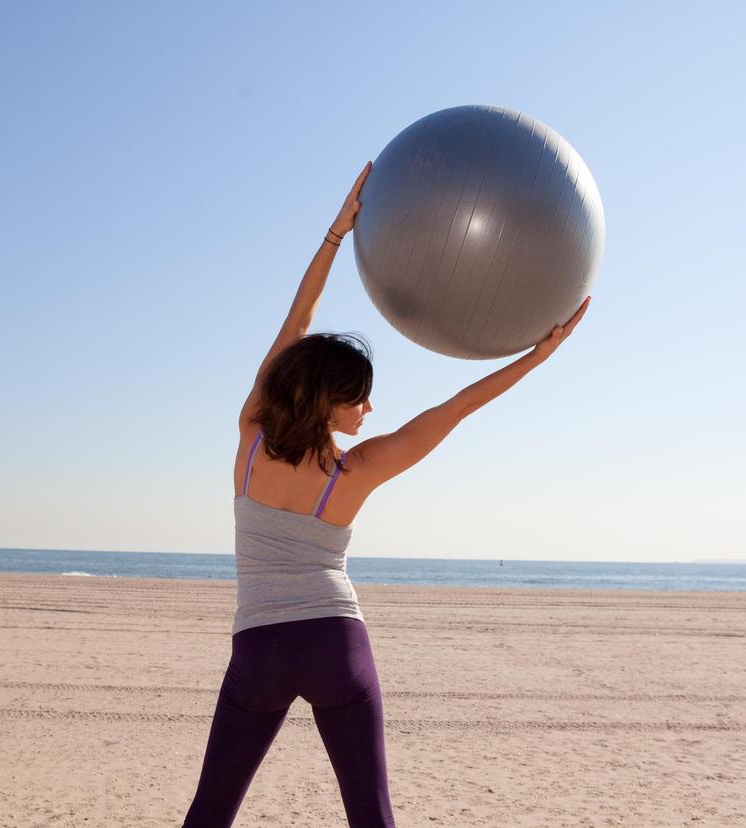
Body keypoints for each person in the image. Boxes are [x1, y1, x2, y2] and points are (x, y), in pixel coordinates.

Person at [182, 162, 590, 828]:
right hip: (334, 644)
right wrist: (534, 359)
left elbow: (298, 320)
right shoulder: (356, 471)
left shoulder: (251, 433)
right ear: (329, 401)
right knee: (371, 816)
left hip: (259, 647)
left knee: (211, 812)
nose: (370, 408)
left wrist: (336, 236)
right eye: (359, 398)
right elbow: (457, 407)